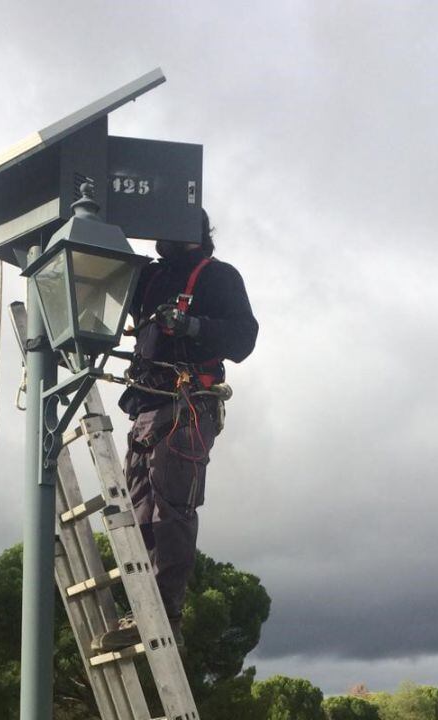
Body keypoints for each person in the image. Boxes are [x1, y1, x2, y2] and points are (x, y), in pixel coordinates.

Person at [93, 209, 258, 651]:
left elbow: (244, 338)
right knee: (140, 508)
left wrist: (192, 325)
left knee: (171, 511)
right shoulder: (148, 277)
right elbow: (101, 289)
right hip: (146, 406)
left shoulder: (217, 277)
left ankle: (166, 613)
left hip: (186, 407)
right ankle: (144, 608)